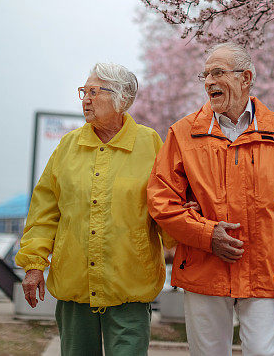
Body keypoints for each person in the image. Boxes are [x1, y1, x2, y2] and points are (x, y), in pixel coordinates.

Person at [148, 42, 274, 356]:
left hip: (264, 272)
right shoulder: (182, 133)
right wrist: (205, 234)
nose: (209, 82)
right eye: (205, 76)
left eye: (218, 73)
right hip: (203, 268)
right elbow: (161, 200)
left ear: (246, 78)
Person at [16, 63, 172, 356]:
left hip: (130, 285)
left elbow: (166, 207)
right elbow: (43, 213)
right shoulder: (68, 146)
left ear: (122, 99)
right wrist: (34, 264)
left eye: (93, 92)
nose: (85, 99)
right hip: (75, 285)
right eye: (83, 92)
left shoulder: (149, 143)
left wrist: (186, 238)